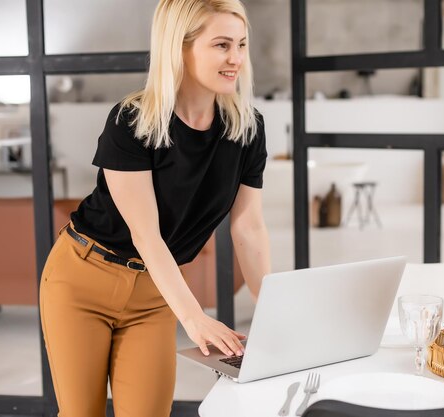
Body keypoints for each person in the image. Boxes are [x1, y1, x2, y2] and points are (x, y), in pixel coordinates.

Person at [39, 1, 271, 416]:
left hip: (154, 294)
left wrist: (276, 311)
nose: (236, 58)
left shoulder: (247, 129)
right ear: (179, 48)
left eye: (241, 44)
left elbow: (248, 229)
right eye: (221, 45)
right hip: (82, 280)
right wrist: (196, 318)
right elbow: (146, 233)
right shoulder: (132, 121)